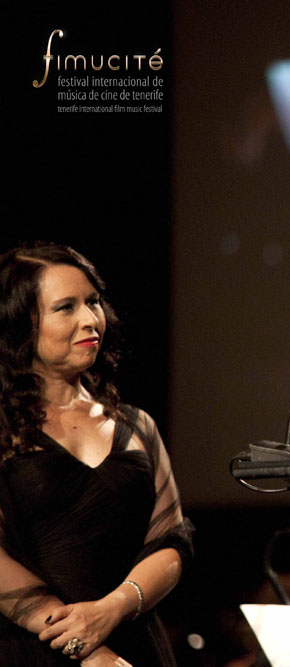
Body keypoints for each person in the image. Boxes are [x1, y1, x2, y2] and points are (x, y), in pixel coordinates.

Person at [0, 243, 193, 666]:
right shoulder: (3, 427)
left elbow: (171, 542)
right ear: (20, 322)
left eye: (93, 302)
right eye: (65, 307)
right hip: (35, 648)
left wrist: (113, 609)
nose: (90, 319)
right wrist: (83, 642)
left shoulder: (137, 424)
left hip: (135, 647)